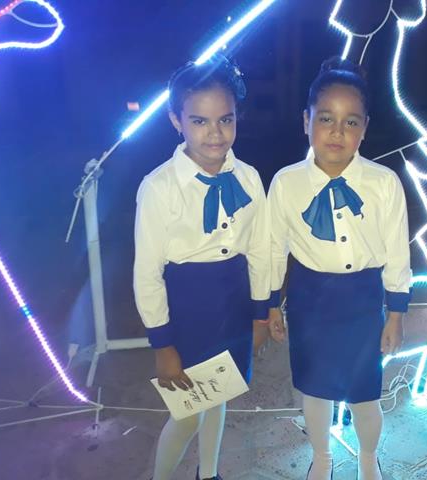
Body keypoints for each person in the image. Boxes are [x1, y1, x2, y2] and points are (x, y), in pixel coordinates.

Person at [268, 57, 412, 480]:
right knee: (315, 389)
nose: (337, 131)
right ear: (306, 121)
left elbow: (397, 252)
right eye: (326, 118)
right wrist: (271, 304)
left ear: (365, 128)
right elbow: (274, 249)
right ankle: (323, 457)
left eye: (351, 122)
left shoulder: (384, 183)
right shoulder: (286, 182)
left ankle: (368, 459)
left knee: (365, 393)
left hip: (363, 302)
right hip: (310, 301)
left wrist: (396, 313)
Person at [133, 55, 270, 480]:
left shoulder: (248, 177)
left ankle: (208, 473)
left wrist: (260, 313)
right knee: (188, 412)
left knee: (219, 394)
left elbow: (260, 250)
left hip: (234, 305)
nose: (215, 133)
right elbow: (147, 273)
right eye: (199, 121)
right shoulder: (159, 188)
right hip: (188, 313)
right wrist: (163, 345)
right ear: (176, 120)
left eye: (225, 120)